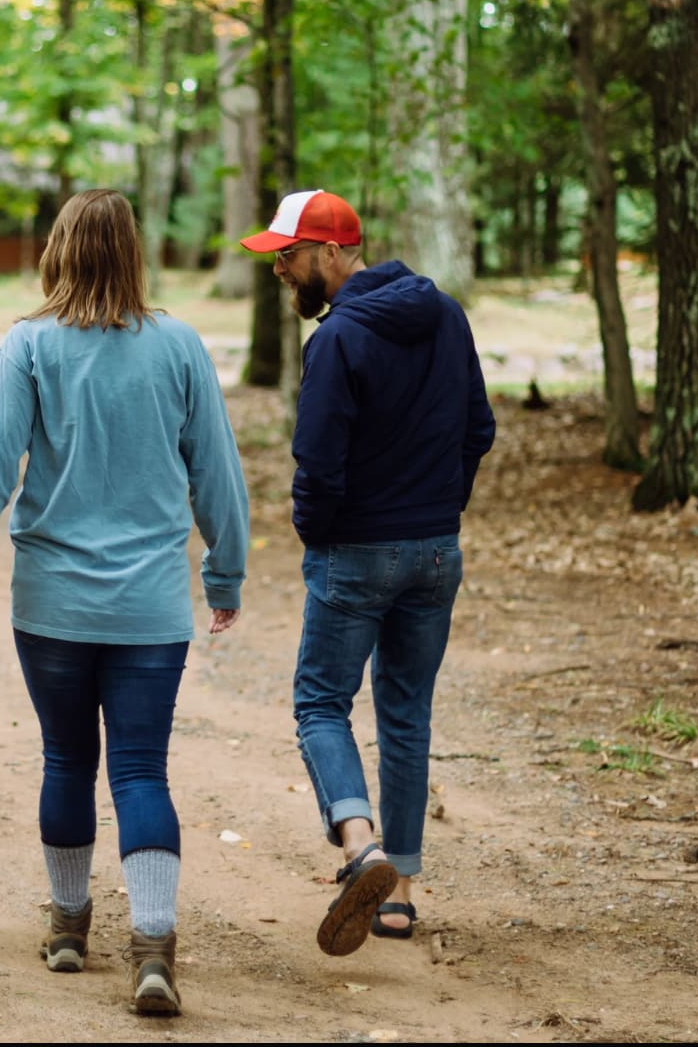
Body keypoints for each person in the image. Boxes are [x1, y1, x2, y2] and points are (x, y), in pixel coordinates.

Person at [0, 189, 248, 1018]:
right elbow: (218, 476)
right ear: (134, 253)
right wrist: (225, 576)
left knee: (67, 759)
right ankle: (153, 949)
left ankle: (69, 928)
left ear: (59, 251)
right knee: (141, 768)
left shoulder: (30, 346)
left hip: (53, 603)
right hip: (148, 606)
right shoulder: (177, 346)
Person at [240, 189, 495, 956]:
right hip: (434, 552)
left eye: (288, 255)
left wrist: (317, 535)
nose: (280, 269)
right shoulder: (445, 314)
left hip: (356, 552)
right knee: (406, 713)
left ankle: (362, 848)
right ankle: (400, 899)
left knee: (320, 702)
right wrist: (439, 512)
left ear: (330, 252)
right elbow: (479, 427)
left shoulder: (337, 339)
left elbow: (316, 461)